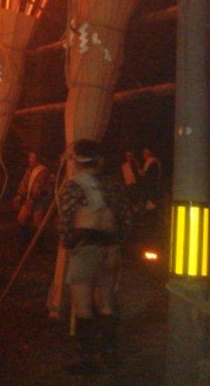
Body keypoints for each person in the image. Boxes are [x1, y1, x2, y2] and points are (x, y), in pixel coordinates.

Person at [58, 140, 131, 375]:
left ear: (77, 161)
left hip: (85, 247)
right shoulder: (113, 185)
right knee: (107, 300)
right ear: (99, 159)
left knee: (83, 305)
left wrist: (68, 241)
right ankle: (109, 354)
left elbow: (66, 220)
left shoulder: (72, 187)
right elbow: (126, 217)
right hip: (110, 247)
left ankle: (87, 360)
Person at [12, 151, 49, 241]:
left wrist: (32, 199)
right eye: (29, 157)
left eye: (31, 157)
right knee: (21, 219)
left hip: (39, 201)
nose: (29, 159)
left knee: (38, 223)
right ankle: (25, 241)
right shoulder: (29, 170)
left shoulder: (42, 171)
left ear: (36, 158)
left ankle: (40, 244)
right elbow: (24, 183)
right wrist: (19, 195)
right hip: (29, 199)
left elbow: (38, 187)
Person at [138, 148, 162, 212]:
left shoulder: (151, 162)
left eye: (144, 154)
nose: (143, 155)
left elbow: (146, 175)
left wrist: (141, 172)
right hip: (152, 185)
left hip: (150, 186)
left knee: (151, 203)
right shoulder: (154, 162)